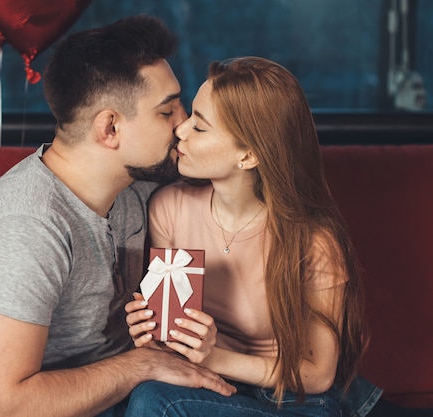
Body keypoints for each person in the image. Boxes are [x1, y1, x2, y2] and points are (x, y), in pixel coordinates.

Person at [0, 15, 235, 417]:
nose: (184, 123)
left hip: (128, 395)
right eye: (166, 112)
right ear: (110, 128)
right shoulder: (26, 225)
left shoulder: (134, 185)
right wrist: (143, 364)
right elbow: (2, 408)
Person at [124, 56, 383, 416]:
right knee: (146, 396)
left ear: (247, 155)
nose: (180, 130)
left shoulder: (313, 240)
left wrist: (214, 356)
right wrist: (153, 336)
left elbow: (319, 374)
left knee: (153, 402)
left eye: (199, 128)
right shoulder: (169, 207)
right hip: (211, 388)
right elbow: (173, 338)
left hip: (295, 400)